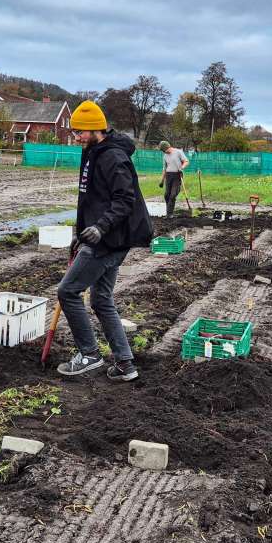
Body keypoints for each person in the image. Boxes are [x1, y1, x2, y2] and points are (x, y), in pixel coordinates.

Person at [56, 100, 154, 382]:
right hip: (105, 236)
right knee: (100, 300)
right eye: (75, 131)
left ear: (95, 129)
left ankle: (89, 354)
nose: (76, 137)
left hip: (110, 239)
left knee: (68, 292)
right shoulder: (92, 151)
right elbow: (90, 197)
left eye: (80, 132)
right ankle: (125, 365)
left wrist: (99, 229)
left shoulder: (112, 157)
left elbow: (125, 200)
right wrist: (82, 231)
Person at [158, 140, 189, 217]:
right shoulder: (165, 156)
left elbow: (186, 161)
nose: (163, 152)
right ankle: (168, 212)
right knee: (166, 195)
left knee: (173, 195)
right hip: (168, 176)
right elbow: (164, 169)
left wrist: (182, 167)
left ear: (167, 147)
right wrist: (162, 180)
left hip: (177, 175)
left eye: (163, 150)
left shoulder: (178, 152)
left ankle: (169, 214)